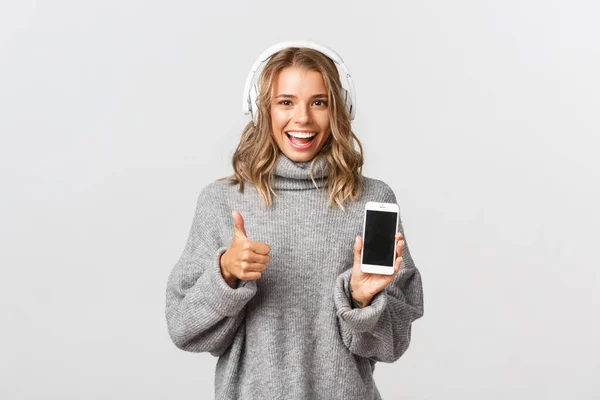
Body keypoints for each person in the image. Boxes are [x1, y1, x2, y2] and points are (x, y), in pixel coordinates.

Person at [165, 40, 424, 400]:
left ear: (338, 110)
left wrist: (360, 301)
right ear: (262, 110)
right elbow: (184, 330)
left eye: (319, 102)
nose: (302, 117)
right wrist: (225, 273)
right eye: (285, 102)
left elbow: (392, 344)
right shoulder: (222, 201)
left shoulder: (373, 201)